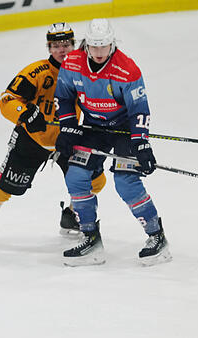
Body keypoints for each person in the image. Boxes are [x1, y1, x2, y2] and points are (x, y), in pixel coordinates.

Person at [0, 22, 106, 245]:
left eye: (66, 44)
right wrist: (25, 112)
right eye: (56, 45)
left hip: (68, 139)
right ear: (49, 48)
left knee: (95, 181)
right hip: (32, 139)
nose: (61, 49)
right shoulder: (37, 72)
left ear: (74, 45)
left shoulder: (84, 72)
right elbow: (7, 99)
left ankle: (71, 215)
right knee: (3, 189)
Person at [55, 18, 172, 266]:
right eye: (94, 46)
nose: (99, 52)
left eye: (104, 46)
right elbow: (63, 97)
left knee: (126, 182)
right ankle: (90, 237)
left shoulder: (127, 69)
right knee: (75, 176)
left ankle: (156, 236)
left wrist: (141, 144)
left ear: (112, 44)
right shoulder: (72, 63)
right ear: (86, 45)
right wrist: (67, 127)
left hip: (124, 128)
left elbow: (139, 109)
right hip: (94, 127)